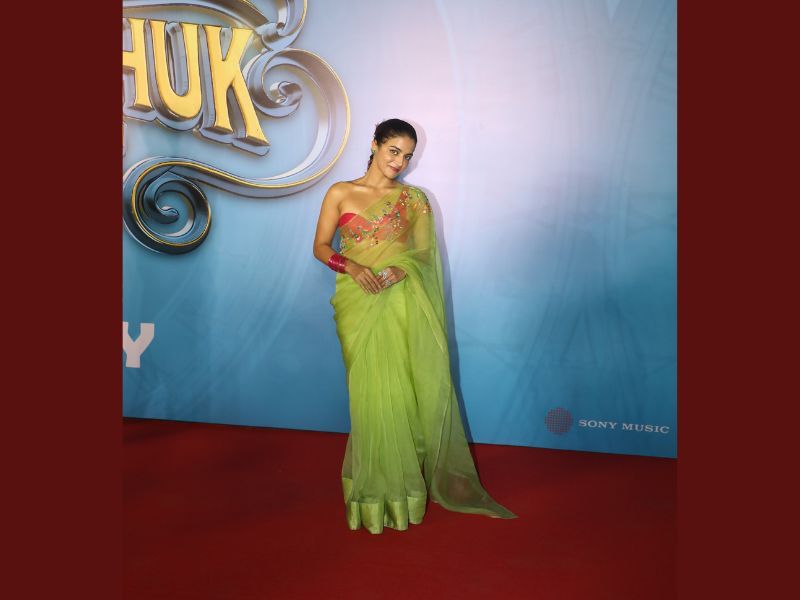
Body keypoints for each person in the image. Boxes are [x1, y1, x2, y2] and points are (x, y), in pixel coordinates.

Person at [313, 118, 517, 534]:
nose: (399, 162)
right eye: (394, 151)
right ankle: (374, 493)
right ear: (374, 144)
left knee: (403, 395)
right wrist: (351, 266)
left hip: (401, 302)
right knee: (369, 396)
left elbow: (424, 255)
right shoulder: (340, 192)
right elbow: (319, 246)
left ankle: (404, 493)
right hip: (357, 304)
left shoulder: (413, 200)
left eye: (407, 156)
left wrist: (399, 270)